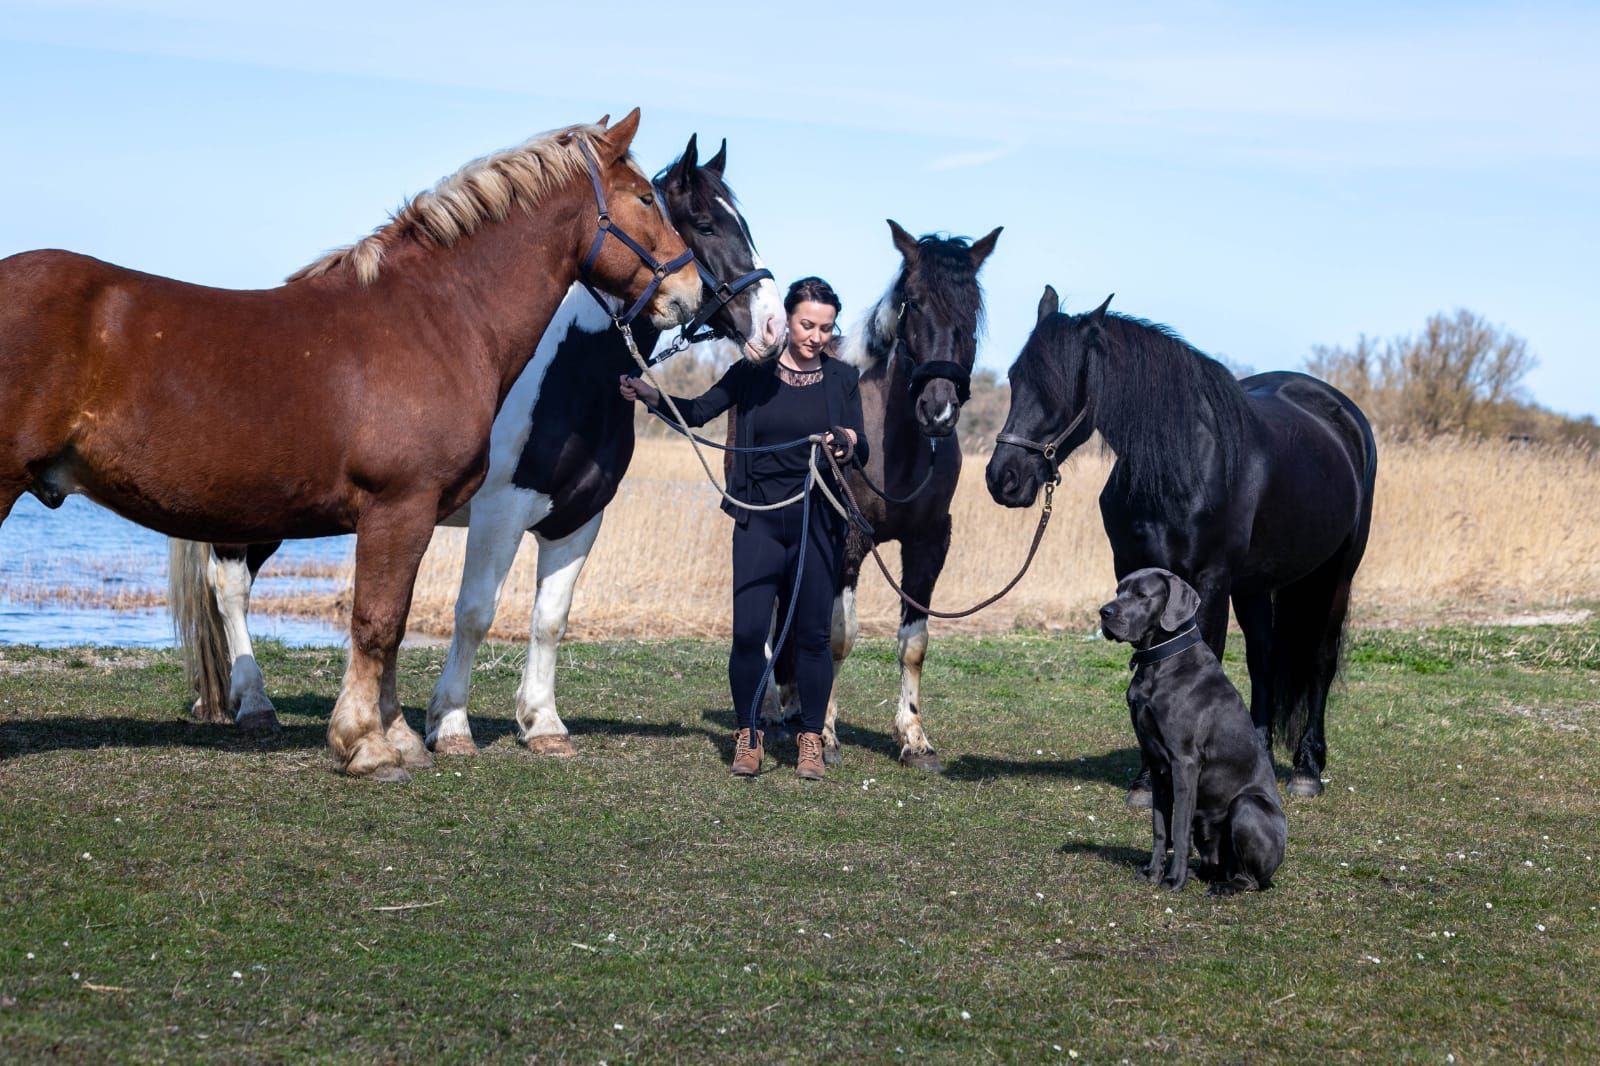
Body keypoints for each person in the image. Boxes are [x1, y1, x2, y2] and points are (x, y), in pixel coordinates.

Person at [619, 277, 867, 780]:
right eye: (806, 324)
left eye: (825, 327)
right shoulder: (752, 375)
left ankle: (811, 740)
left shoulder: (843, 379)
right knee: (749, 633)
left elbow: (855, 439)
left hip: (816, 521)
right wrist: (649, 394)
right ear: (788, 319)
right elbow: (696, 412)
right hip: (758, 520)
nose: (816, 336)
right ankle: (748, 735)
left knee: (813, 637)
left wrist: (841, 440)